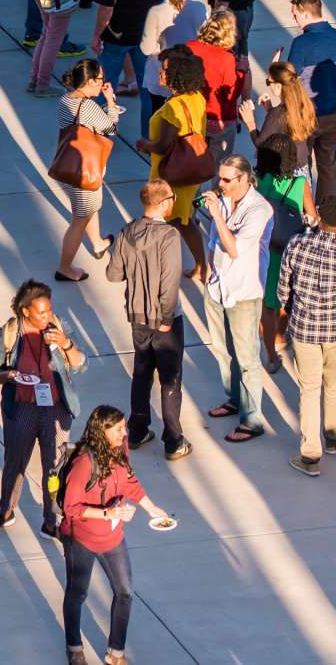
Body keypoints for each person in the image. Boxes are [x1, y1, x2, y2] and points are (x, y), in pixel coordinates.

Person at [55, 405, 171, 665]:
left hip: (112, 537)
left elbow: (129, 481)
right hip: (81, 538)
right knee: (78, 593)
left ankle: (115, 653)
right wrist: (108, 514)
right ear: (102, 430)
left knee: (125, 592)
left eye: (125, 427)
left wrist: (152, 508)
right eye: (118, 429)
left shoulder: (120, 450)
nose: (124, 433)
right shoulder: (85, 462)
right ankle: (74, 648)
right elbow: (70, 508)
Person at [0, 281, 84, 535]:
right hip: (23, 407)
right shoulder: (8, 333)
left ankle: (52, 522)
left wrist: (66, 344)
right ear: (26, 310)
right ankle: (5, 511)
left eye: (49, 310)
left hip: (56, 408)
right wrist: (11, 374)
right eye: (41, 312)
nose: (47, 316)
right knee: (15, 461)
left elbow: (81, 365)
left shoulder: (58, 327)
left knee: (55, 466)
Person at [277, 194, 336, 476]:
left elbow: (283, 290)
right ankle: (335, 436)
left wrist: (290, 307)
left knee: (309, 390)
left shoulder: (297, 244)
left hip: (303, 329)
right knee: (335, 385)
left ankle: (310, 453)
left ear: (319, 216)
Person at [109, 179, 190, 461]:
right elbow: (170, 282)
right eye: (172, 197)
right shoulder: (168, 236)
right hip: (165, 319)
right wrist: (167, 317)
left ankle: (138, 428)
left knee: (141, 372)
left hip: (138, 317)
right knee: (170, 379)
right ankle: (173, 439)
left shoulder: (127, 231)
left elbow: (113, 274)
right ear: (163, 202)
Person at [200, 156, 274, 444]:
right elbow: (213, 241)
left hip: (243, 293)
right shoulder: (224, 200)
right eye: (220, 178)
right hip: (218, 288)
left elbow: (233, 249)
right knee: (223, 350)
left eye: (228, 180)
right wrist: (208, 269)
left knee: (247, 358)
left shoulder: (259, 210)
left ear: (246, 178)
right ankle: (235, 399)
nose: (221, 184)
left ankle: (252, 418)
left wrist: (217, 214)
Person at [251, 61, 318, 368]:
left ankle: (270, 351)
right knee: (291, 292)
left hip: (271, 248)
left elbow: (264, 142)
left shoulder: (263, 185)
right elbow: (312, 216)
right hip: (298, 179)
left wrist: (252, 121)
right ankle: (283, 333)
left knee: (269, 300)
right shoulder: (304, 106)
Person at [137, 46, 215, 277]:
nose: (160, 73)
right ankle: (201, 265)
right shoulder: (196, 98)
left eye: (163, 71)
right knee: (183, 219)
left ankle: (163, 269)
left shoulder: (172, 107)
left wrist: (145, 144)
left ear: (175, 78)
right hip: (189, 171)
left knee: (165, 221)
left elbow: (163, 145)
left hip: (171, 174)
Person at [282, 0, 336, 210]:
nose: (294, 20)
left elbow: (289, 80)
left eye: (295, 15)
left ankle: (305, 211)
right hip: (333, 114)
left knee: (300, 166)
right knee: (328, 166)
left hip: (305, 117)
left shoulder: (302, 42)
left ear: (305, 14)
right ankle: (325, 212)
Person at [50, 59, 122, 281]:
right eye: (100, 79)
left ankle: (98, 243)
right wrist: (110, 101)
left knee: (90, 207)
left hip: (69, 165)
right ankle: (65, 268)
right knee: (79, 220)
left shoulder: (65, 99)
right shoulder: (88, 106)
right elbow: (111, 126)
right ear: (90, 81)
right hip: (85, 170)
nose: (103, 82)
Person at [136, 0, 204, 124]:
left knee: (159, 121)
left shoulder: (157, 12)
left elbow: (146, 49)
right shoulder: (199, 8)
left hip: (161, 75)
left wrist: (160, 47)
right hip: (188, 73)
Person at [185, 11, 245, 141]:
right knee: (221, 160)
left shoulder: (190, 47)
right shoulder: (226, 57)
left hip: (192, 114)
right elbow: (231, 95)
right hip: (219, 119)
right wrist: (241, 71)